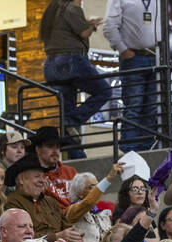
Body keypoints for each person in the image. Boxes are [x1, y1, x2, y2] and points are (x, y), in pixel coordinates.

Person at [38, 0, 112, 152]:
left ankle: (77, 160)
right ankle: (73, 120)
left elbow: (67, 30)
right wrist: (92, 25)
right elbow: (84, 32)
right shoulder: (72, 8)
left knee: (69, 124)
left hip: (51, 65)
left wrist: (86, 23)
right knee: (104, 91)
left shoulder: (52, 10)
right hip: (71, 60)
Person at [102, 0, 159, 152]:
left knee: (153, 106)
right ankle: (130, 149)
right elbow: (109, 25)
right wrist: (123, 50)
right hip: (134, 58)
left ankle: (148, 149)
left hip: (158, 57)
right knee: (134, 104)